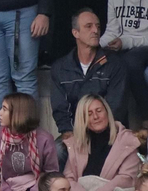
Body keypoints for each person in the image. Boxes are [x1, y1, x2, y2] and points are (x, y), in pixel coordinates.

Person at [62, 94, 142, 191]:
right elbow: (69, 177)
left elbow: (126, 179)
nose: (95, 117)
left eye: (99, 111)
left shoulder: (128, 141)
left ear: (107, 112)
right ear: (82, 119)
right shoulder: (75, 143)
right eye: (89, 114)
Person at [51, 8, 128, 136]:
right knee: (59, 151)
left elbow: (116, 107)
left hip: (109, 132)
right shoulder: (60, 68)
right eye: (89, 26)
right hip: (76, 133)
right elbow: (60, 108)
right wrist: (68, 132)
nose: (95, 30)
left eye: (98, 26)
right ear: (76, 33)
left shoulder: (115, 63)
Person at [0, 92, 58, 191]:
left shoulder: (44, 138)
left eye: (4, 109)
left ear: (18, 114)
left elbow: (52, 174)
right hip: (2, 190)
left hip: (37, 190)